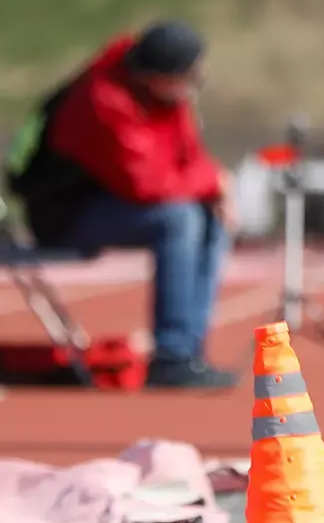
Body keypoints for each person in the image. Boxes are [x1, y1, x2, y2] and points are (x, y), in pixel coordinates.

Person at [23, 21, 238, 389]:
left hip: (118, 201)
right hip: (68, 213)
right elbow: (147, 183)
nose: (191, 88)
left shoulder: (166, 96)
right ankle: (171, 354)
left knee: (208, 217)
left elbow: (186, 154)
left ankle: (189, 352)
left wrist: (217, 186)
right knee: (179, 218)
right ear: (157, 77)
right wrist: (211, 183)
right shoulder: (104, 98)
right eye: (187, 79)